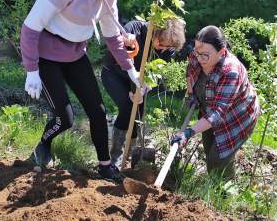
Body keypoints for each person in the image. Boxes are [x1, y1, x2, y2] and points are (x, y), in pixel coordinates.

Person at [20, 0, 140, 181]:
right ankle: (44, 144)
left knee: (98, 111)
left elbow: (112, 36)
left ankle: (105, 166)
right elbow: (30, 28)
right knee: (65, 118)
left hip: (75, 54)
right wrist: (31, 70)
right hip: (47, 57)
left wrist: (130, 70)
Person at [172, 25, 260, 181]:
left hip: (237, 116)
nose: (199, 58)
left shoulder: (230, 71)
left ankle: (225, 195)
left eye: (204, 55)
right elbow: (190, 72)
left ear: (222, 52)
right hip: (210, 109)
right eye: (197, 52)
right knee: (209, 151)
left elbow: (218, 113)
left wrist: (188, 133)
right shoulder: (198, 54)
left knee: (218, 159)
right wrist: (190, 93)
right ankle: (216, 184)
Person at [102, 19, 186, 167]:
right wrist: (125, 41)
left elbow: (155, 73)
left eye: (168, 47)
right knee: (127, 106)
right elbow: (116, 51)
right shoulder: (134, 29)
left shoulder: (167, 49)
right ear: (155, 32)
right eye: (161, 43)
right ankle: (115, 157)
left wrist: (143, 89)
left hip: (140, 82)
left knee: (138, 114)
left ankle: (130, 157)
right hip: (114, 73)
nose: (163, 49)